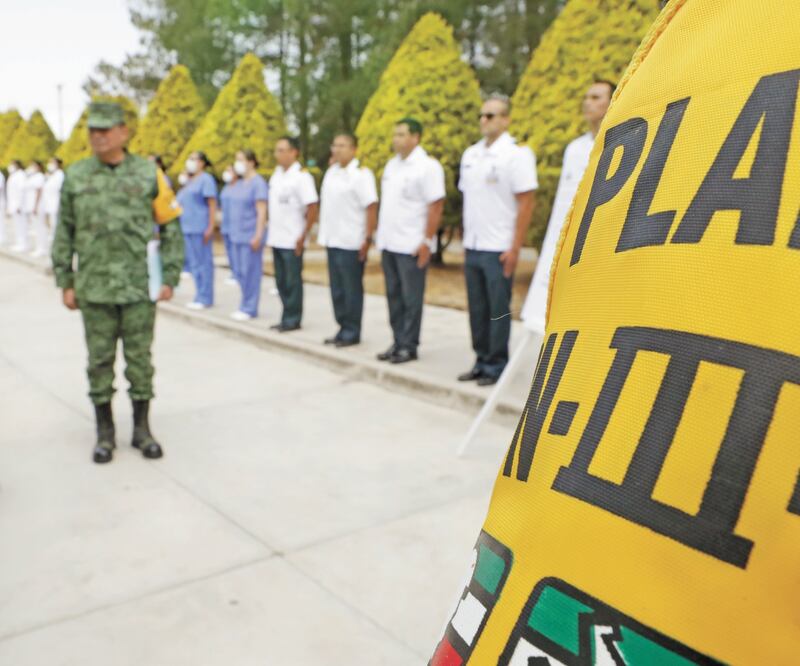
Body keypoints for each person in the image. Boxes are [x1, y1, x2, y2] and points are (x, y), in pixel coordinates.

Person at [51, 101, 184, 464]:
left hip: (139, 287)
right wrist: (65, 279)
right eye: (93, 130)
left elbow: (171, 226)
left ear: (124, 132)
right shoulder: (76, 176)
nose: (98, 136)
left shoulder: (148, 173)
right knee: (99, 362)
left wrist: (169, 275)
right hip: (93, 288)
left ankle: (142, 430)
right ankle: (105, 434)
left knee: (140, 360)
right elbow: (64, 231)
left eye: (105, 130)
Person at [457, 94, 538, 386]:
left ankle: (496, 364)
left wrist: (515, 247)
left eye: (491, 115)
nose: (484, 120)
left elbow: (526, 202)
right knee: (477, 308)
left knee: (497, 309)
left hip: (499, 247)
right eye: (482, 115)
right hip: (474, 245)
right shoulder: (471, 155)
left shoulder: (516, 154)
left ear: (506, 120)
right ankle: (480, 360)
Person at [521, 80, 613, 334]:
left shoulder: (618, 144)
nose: (588, 103)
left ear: (611, 102)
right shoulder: (574, 149)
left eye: (596, 97)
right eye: (586, 97)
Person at [375, 118, 445, 364]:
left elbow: (435, 205)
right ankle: (397, 341)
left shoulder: (428, 166)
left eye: (402, 134)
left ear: (416, 137)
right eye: (395, 134)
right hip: (389, 243)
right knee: (393, 296)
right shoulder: (392, 166)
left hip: (412, 245)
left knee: (411, 298)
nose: (396, 139)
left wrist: (427, 241)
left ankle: (409, 346)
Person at [318, 133, 378, 347]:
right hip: (332, 239)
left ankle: (352, 331)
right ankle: (342, 327)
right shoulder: (331, 173)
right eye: (334, 145)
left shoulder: (361, 175)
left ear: (354, 149)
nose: (337, 149)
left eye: (342, 146)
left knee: (351, 289)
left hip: (352, 241)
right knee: (337, 289)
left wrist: (368, 237)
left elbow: (370, 206)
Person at [267, 136, 319, 332]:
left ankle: (293, 318)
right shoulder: (277, 174)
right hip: (277, 237)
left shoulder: (302, 177)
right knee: (280, 281)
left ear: (293, 152)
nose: (277, 154)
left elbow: (312, 206)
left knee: (292, 281)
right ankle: (285, 315)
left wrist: (304, 234)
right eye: (276, 150)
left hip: (292, 238)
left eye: (282, 150)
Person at [226, 151, 269, 320]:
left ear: (251, 162)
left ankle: (250, 307)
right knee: (240, 272)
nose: (238, 163)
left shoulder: (258, 183)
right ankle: (244, 304)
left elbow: (261, 211)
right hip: (237, 234)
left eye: (241, 160)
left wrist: (258, 234)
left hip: (250, 234)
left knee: (250, 272)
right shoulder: (241, 183)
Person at [177, 151, 217, 309]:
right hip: (187, 227)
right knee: (194, 264)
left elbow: (212, 204)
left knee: (203, 263)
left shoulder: (206, 180)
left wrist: (210, 226)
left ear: (202, 162)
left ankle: (206, 297)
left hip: (200, 227)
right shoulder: (190, 181)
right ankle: (199, 294)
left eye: (194, 159)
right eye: (189, 158)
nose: (190, 161)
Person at [219, 164, 239, 285]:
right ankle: (233, 272)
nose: (227, 173)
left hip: (236, 225)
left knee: (237, 252)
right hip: (226, 224)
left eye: (229, 170)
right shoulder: (226, 187)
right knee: (229, 251)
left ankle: (238, 274)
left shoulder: (240, 187)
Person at [23, 161, 47, 258]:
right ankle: (38, 247)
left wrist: (35, 206)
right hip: (32, 205)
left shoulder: (40, 176)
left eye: (34, 166)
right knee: (35, 228)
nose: (32, 167)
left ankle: (42, 248)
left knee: (40, 227)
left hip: (37, 206)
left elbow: (39, 191)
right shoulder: (32, 177)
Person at [42, 157, 65, 245]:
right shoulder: (53, 175)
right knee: (52, 224)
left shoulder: (60, 174)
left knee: (56, 225)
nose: (50, 164)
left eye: (52, 162)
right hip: (50, 203)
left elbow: (59, 189)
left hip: (56, 203)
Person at [6, 161, 27, 252]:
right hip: (13, 204)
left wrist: (19, 205)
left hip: (19, 205)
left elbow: (21, 191)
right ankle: (19, 243)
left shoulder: (21, 175)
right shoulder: (13, 175)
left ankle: (23, 244)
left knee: (21, 225)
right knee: (16, 225)